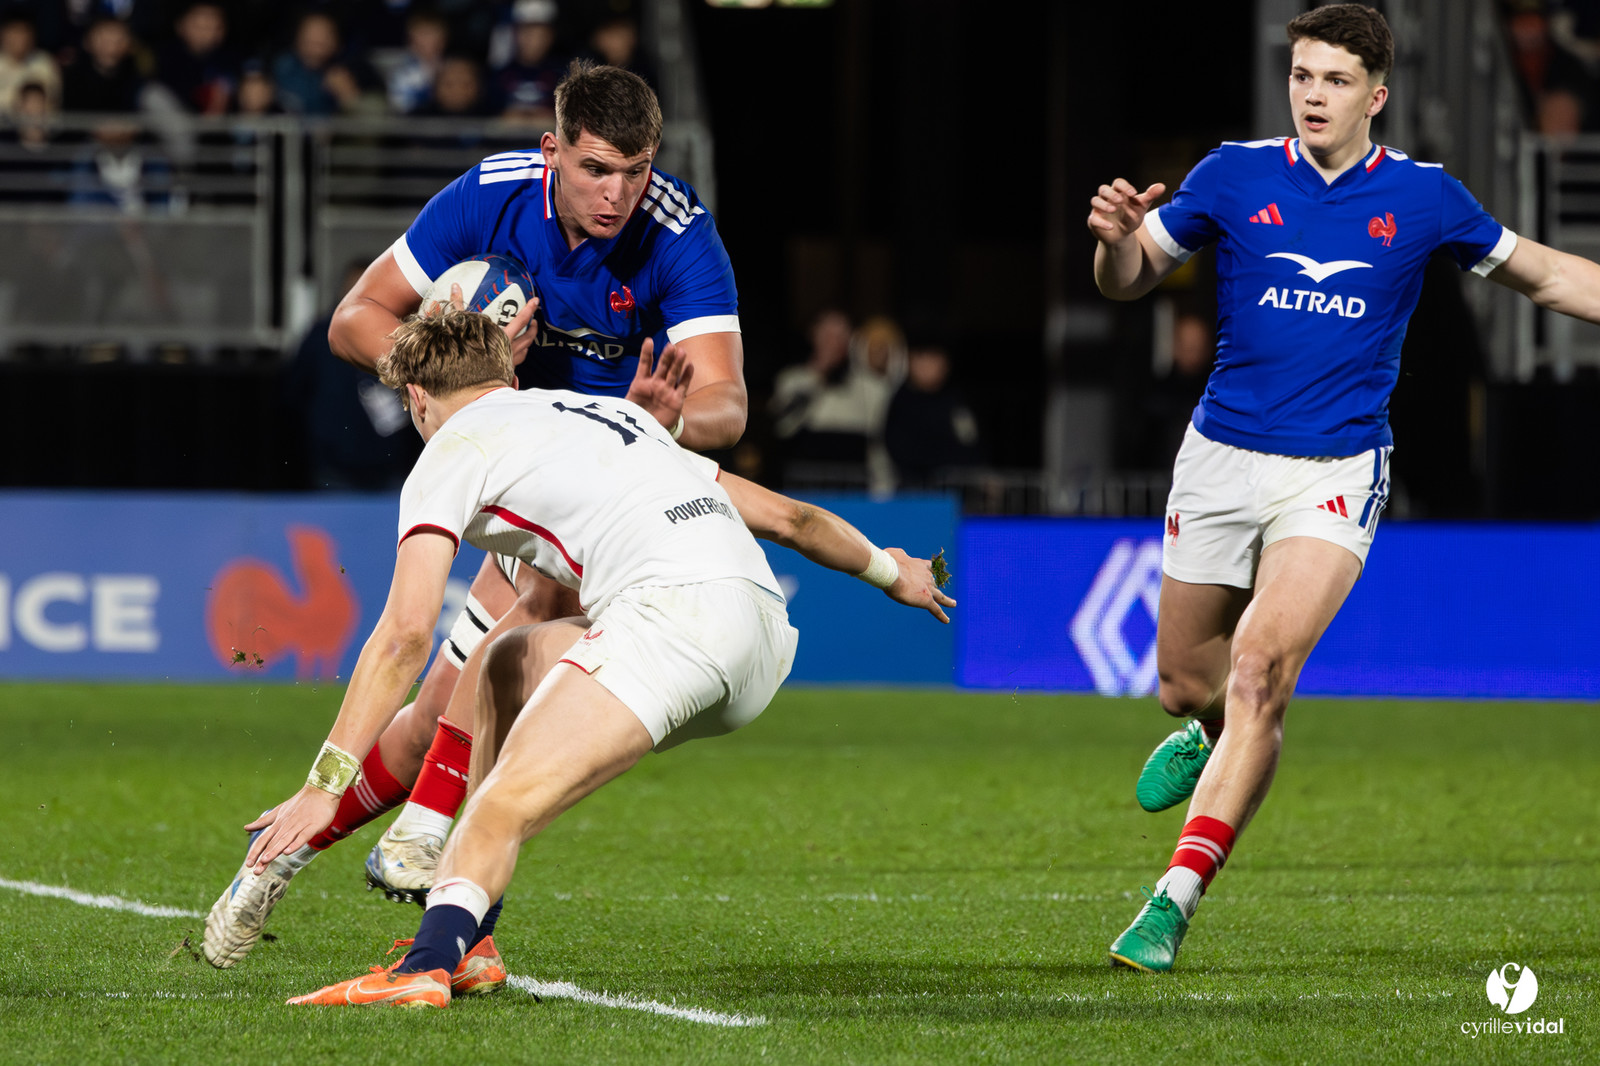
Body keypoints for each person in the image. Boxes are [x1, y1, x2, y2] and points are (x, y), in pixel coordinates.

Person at [227, 309, 951, 1006]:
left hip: (671, 621)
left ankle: (423, 968)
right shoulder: (611, 415)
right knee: (504, 661)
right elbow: (791, 519)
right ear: (506, 376)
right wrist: (892, 571)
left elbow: (405, 634)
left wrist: (326, 783)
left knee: (500, 807)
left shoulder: (451, 448)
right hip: (762, 635)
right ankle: (469, 939)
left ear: (417, 399)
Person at [203, 60, 752, 967]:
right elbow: (354, 321)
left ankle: (403, 879)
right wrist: (467, 371)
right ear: (553, 151)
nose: (619, 194)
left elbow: (728, 403)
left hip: (611, 491)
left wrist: (665, 415)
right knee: (461, 704)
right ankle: (384, 868)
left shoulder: (678, 231)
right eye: (596, 169)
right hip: (516, 470)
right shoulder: (488, 199)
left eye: (637, 169)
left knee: (467, 706)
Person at [1087, 3, 1600, 973]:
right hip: (1221, 457)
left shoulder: (1424, 197)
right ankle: (1207, 732)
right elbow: (1129, 277)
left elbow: (1541, 277)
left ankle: (1172, 897)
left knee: (1259, 672)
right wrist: (1115, 241)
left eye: (1333, 80)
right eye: (1301, 77)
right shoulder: (1232, 174)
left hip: (1335, 470)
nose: (1312, 95)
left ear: (1376, 94)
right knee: (1184, 684)